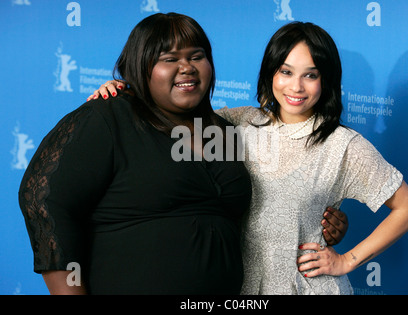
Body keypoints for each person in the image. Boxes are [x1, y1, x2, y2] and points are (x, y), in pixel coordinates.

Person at [18, 13, 345, 295]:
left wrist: (322, 221)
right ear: (140, 67)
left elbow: (260, 208)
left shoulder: (225, 130)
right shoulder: (109, 118)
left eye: (196, 55)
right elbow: (43, 199)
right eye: (169, 58)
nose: (186, 67)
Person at [91, 21, 408, 295]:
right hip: (239, 289)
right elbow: (172, 115)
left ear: (326, 81)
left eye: (310, 74)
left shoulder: (344, 145)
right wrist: (127, 92)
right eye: (286, 71)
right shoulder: (240, 123)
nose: (296, 86)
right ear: (270, 74)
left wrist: (347, 260)